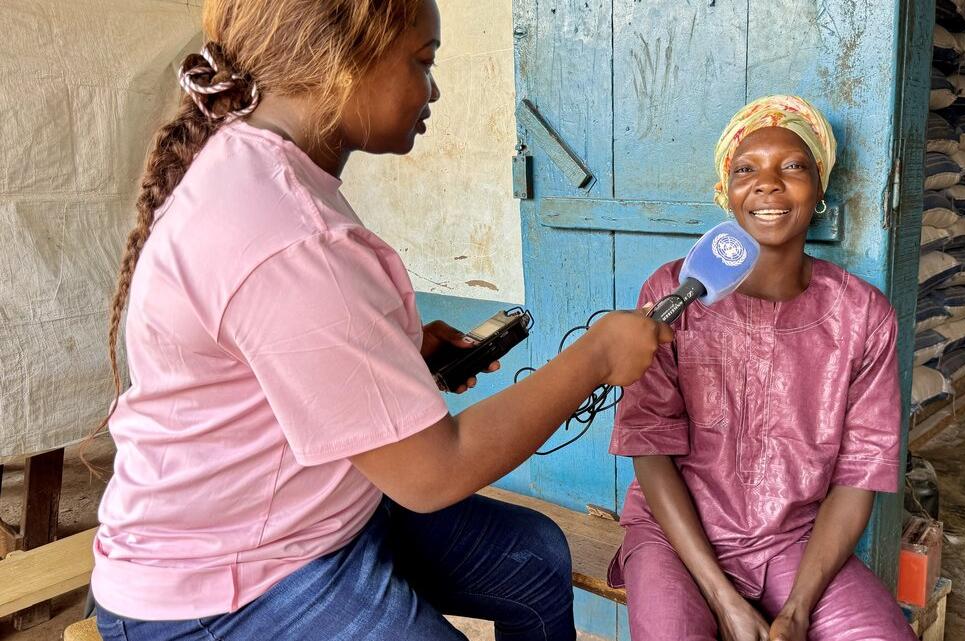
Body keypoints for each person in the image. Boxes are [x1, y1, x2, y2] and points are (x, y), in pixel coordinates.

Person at [88, 1, 671, 639]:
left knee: (531, 559)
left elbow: (280, 356)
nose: (433, 90)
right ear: (341, 62)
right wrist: (595, 357)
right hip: (225, 580)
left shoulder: (258, 169)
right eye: (422, 61)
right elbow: (435, 473)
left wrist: (394, 357)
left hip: (316, 514)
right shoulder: (290, 236)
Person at [607, 95, 917, 641]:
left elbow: (858, 474)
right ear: (725, 192)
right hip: (674, 536)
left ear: (819, 188)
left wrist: (797, 611)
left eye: (792, 166)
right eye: (746, 169)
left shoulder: (863, 315)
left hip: (793, 542)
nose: (768, 184)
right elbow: (649, 447)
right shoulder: (673, 293)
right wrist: (723, 599)